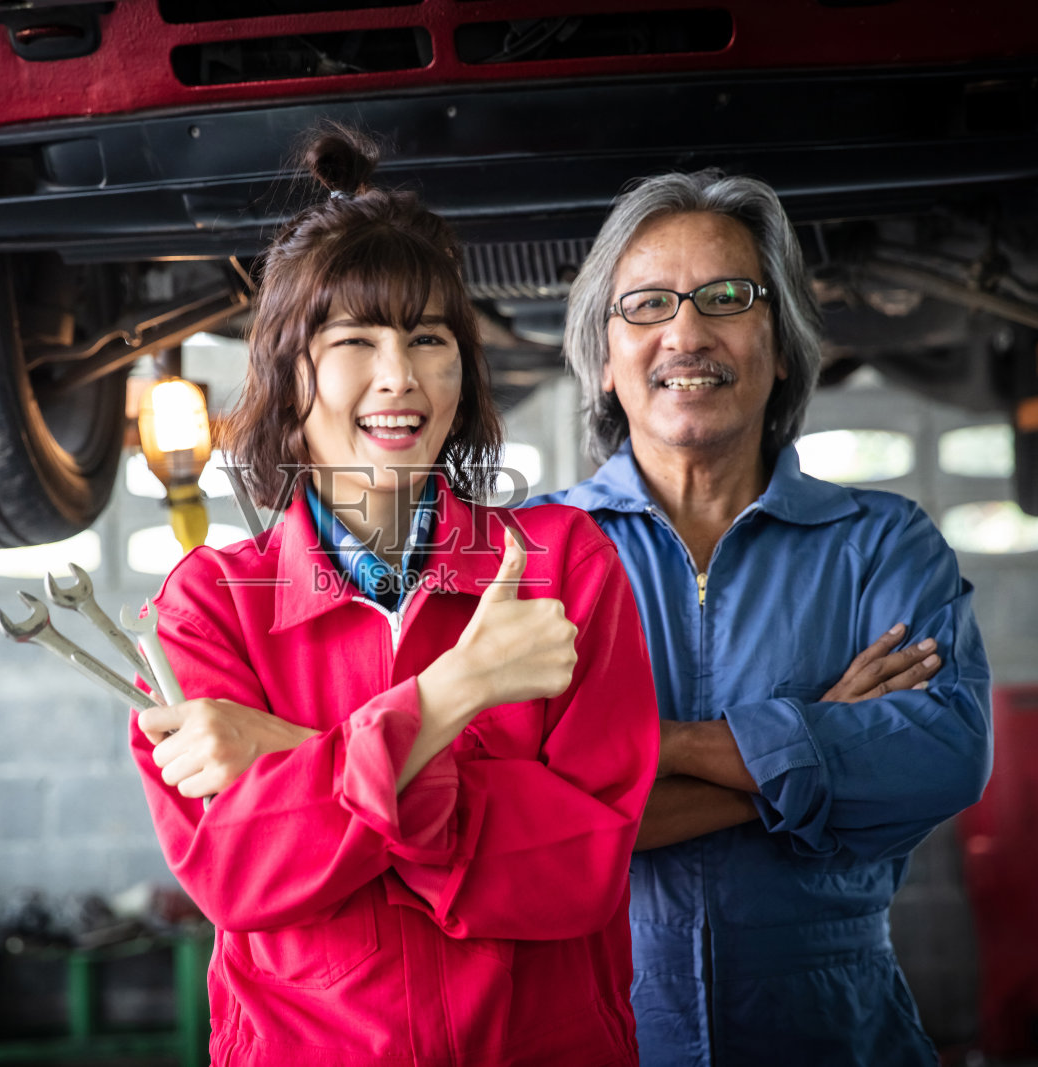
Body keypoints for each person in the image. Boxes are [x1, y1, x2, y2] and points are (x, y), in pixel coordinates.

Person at [128, 128, 659, 1066]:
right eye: (355, 341)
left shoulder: (561, 565)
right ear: (292, 373)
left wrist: (300, 755)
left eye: (428, 338)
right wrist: (453, 694)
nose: (399, 376)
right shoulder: (207, 607)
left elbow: (584, 864)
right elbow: (240, 868)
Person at [527, 170, 992, 1066]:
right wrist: (820, 743)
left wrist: (642, 744)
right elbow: (519, 816)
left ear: (781, 344)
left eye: (728, 297)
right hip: (600, 1026)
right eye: (649, 303)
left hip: (841, 1030)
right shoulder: (535, 552)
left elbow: (944, 754)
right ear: (603, 355)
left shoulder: (881, 543)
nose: (687, 332)